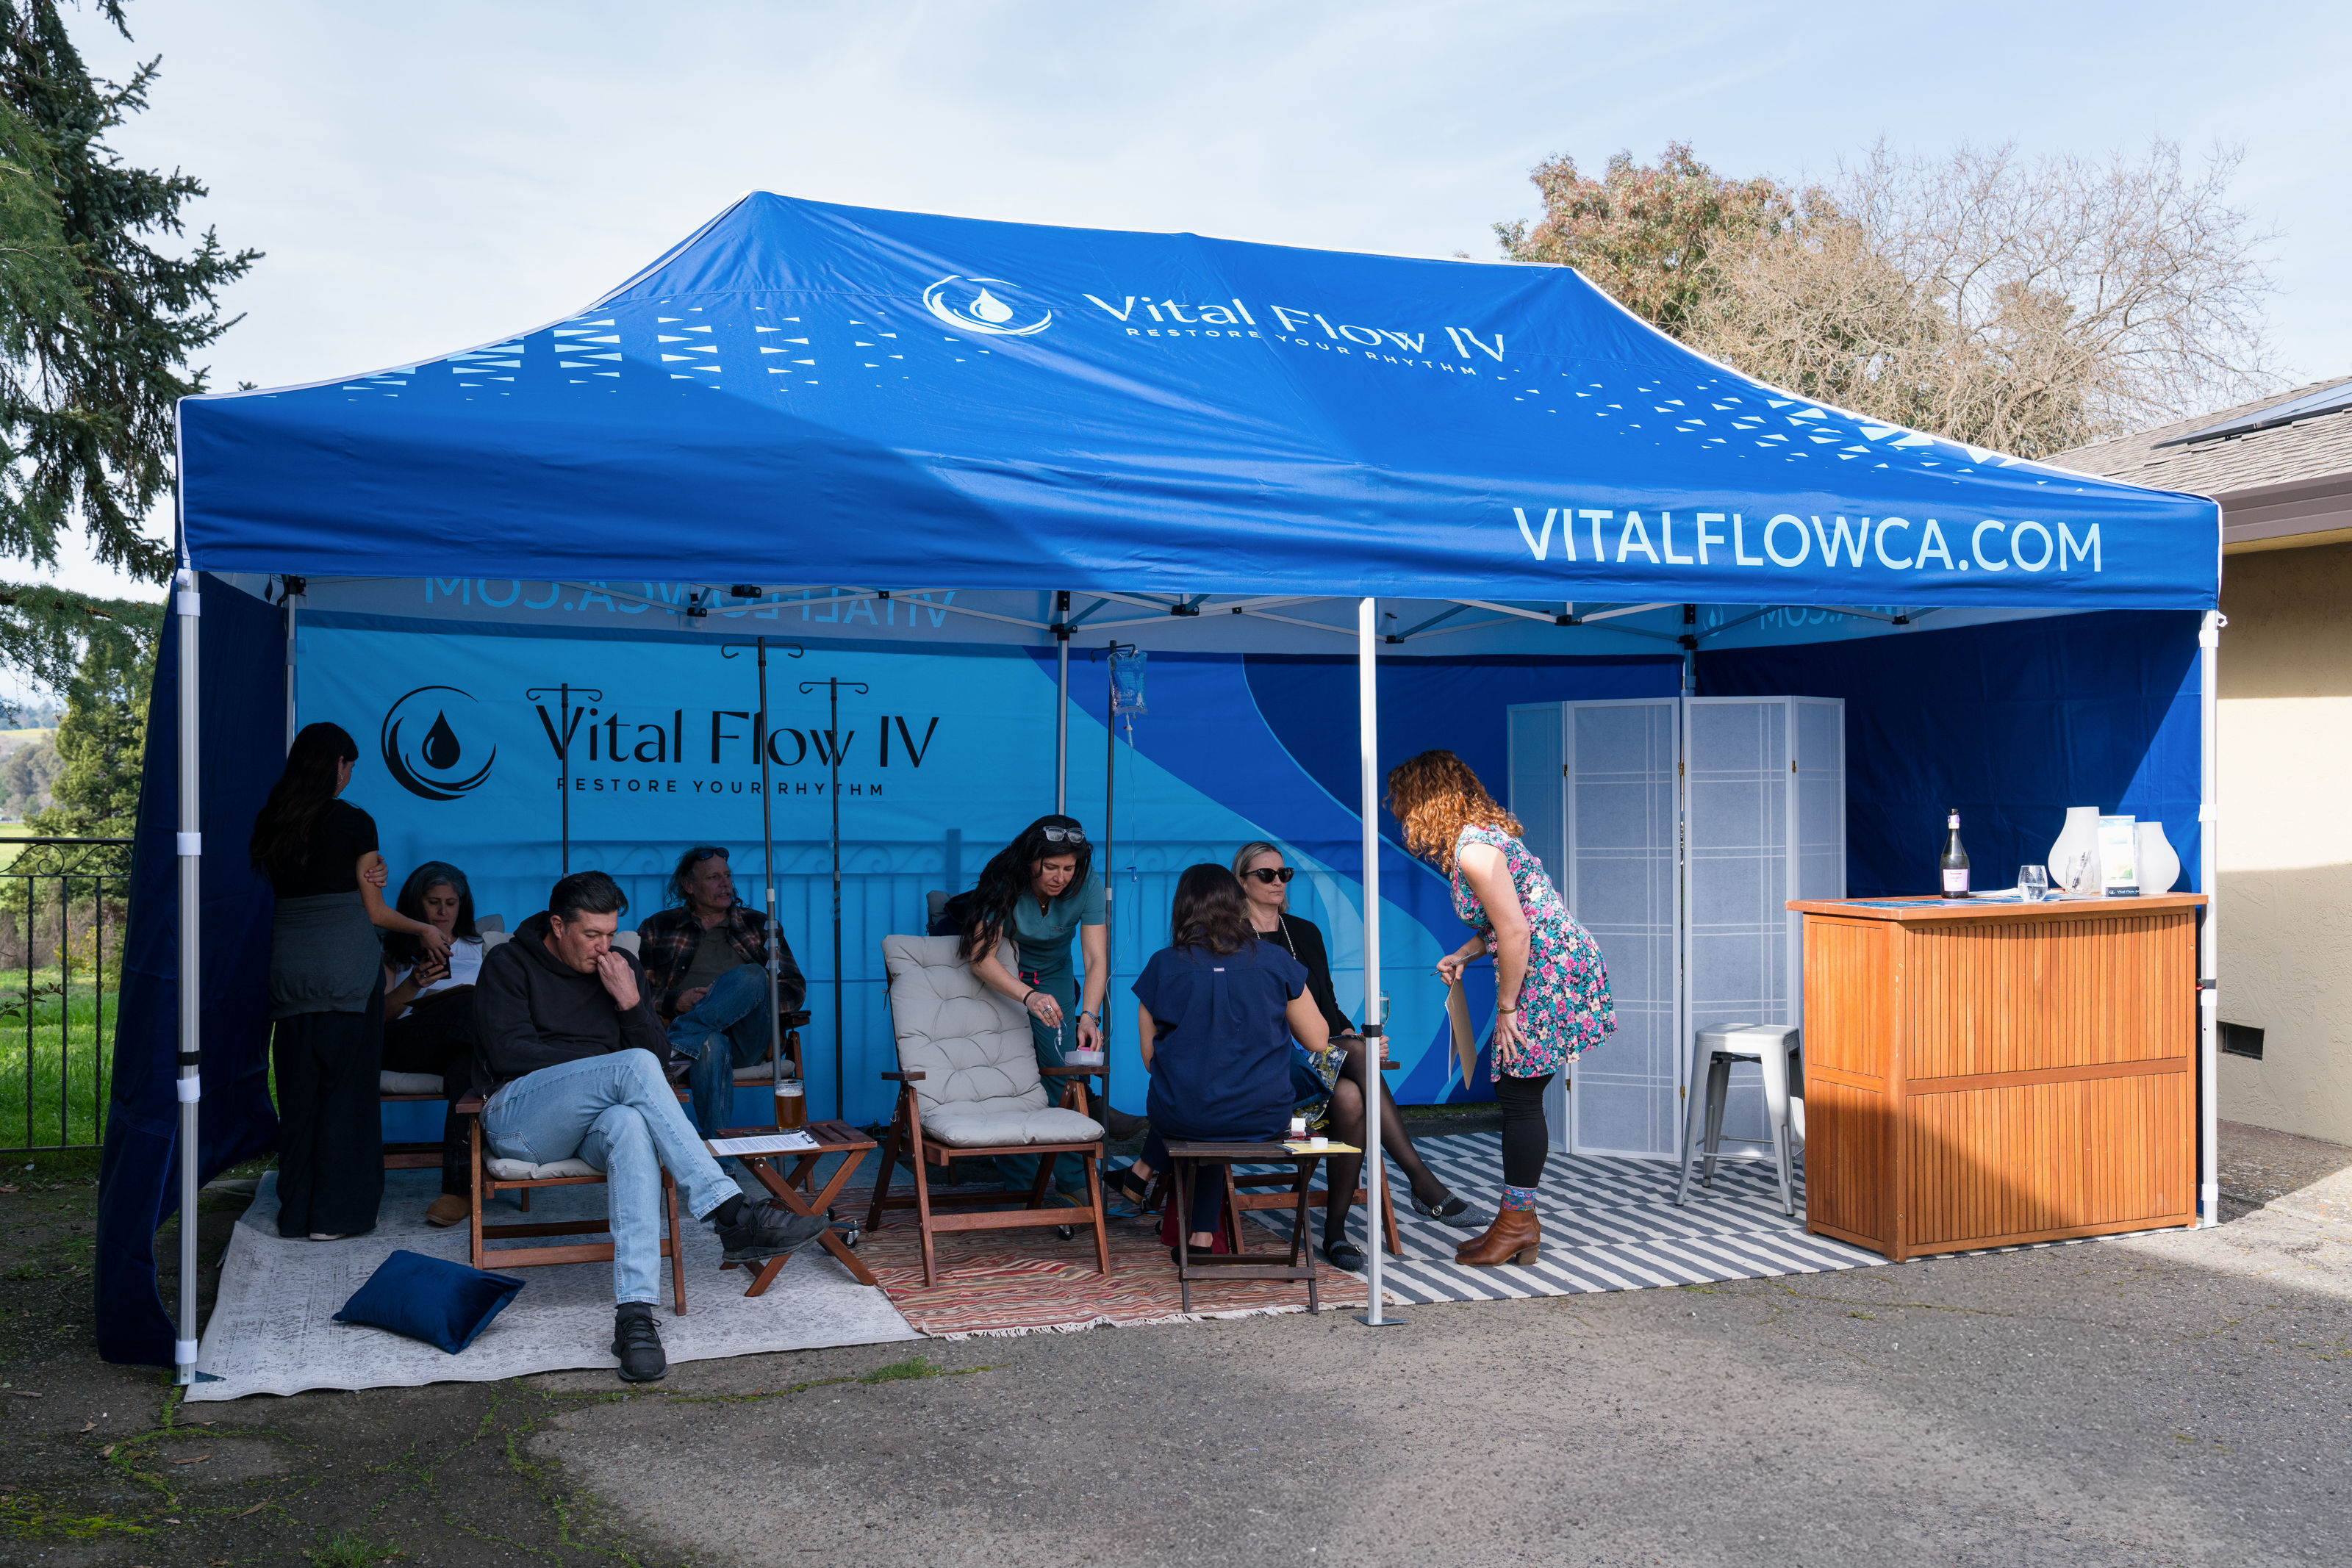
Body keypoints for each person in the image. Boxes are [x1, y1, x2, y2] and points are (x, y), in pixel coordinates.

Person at [472, 869, 831, 1382]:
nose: (603, 947)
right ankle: (729, 1212)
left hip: (594, 1122)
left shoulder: (621, 968)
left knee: (629, 1125)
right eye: (590, 935)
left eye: (609, 933)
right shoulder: (509, 964)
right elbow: (509, 1052)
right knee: (630, 1068)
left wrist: (630, 1002)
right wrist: (606, 1067)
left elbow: (660, 1062)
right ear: (557, 925)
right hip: (522, 1119)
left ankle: (635, 1315)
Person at [1388, 749, 1616, 1267]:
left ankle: (1517, 1224)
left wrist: (1508, 1007)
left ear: (1425, 801)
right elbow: (1510, 919)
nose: (1399, 811)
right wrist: (1464, 954)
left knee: (1518, 1093)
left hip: (1548, 972)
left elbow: (1516, 930)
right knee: (1519, 1093)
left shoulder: (1475, 850)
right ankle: (1516, 1222)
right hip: (1553, 964)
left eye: (1403, 801)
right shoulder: (1484, 838)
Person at [250, 722, 451, 1242]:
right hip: (344, 972)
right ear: (337, 765)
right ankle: (336, 1218)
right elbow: (375, 911)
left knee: (300, 1097)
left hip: (289, 971)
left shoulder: (272, 821)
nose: (350, 775)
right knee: (347, 1098)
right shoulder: (354, 821)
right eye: (350, 765)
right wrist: (424, 928)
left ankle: (296, 1214)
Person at [1127, 864, 1332, 1254]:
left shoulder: (1162, 965)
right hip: (1263, 1116)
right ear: (1239, 904)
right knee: (1219, 1112)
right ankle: (1201, 1237)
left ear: (1182, 908)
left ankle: (1181, 1215)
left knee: (1206, 1114)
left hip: (1182, 1115)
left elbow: (1151, 1061)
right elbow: (1318, 1039)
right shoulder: (1275, 960)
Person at [958, 814, 1141, 1193]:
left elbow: (1096, 958)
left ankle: (1074, 1182)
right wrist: (1027, 995)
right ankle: (1023, 1184)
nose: (1061, 878)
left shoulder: (1087, 883)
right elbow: (980, 958)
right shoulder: (1004, 880)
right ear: (1031, 861)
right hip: (1003, 973)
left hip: (1054, 974)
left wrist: (1088, 1016)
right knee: (1011, 1071)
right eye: (1051, 867)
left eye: (1068, 868)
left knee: (1062, 1069)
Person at [635, 846, 808, 1136]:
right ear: (689, 886)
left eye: (727, 876)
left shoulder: (760, 925)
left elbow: (794, 988)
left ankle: (682, 1040)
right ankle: (719, 1157)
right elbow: (636, 994)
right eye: (713, 877)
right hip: (699, 1045)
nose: (725, 883)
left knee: (753, 975)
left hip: (747, 1038)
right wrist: (677, 1001)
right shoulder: (658, 927)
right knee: (710, 1042)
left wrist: (749, 999)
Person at [380, 861, 490, 1228]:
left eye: (451, 903)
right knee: (468, 1008)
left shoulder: (479, 949)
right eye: (433, 902)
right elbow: (379, 1017)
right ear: (416, 903)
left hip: (463, 1046)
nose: (443, 912)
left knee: (467, 1061)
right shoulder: (393, 949)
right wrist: (414, 984)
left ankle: (457, 1190)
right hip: (407, 1043)